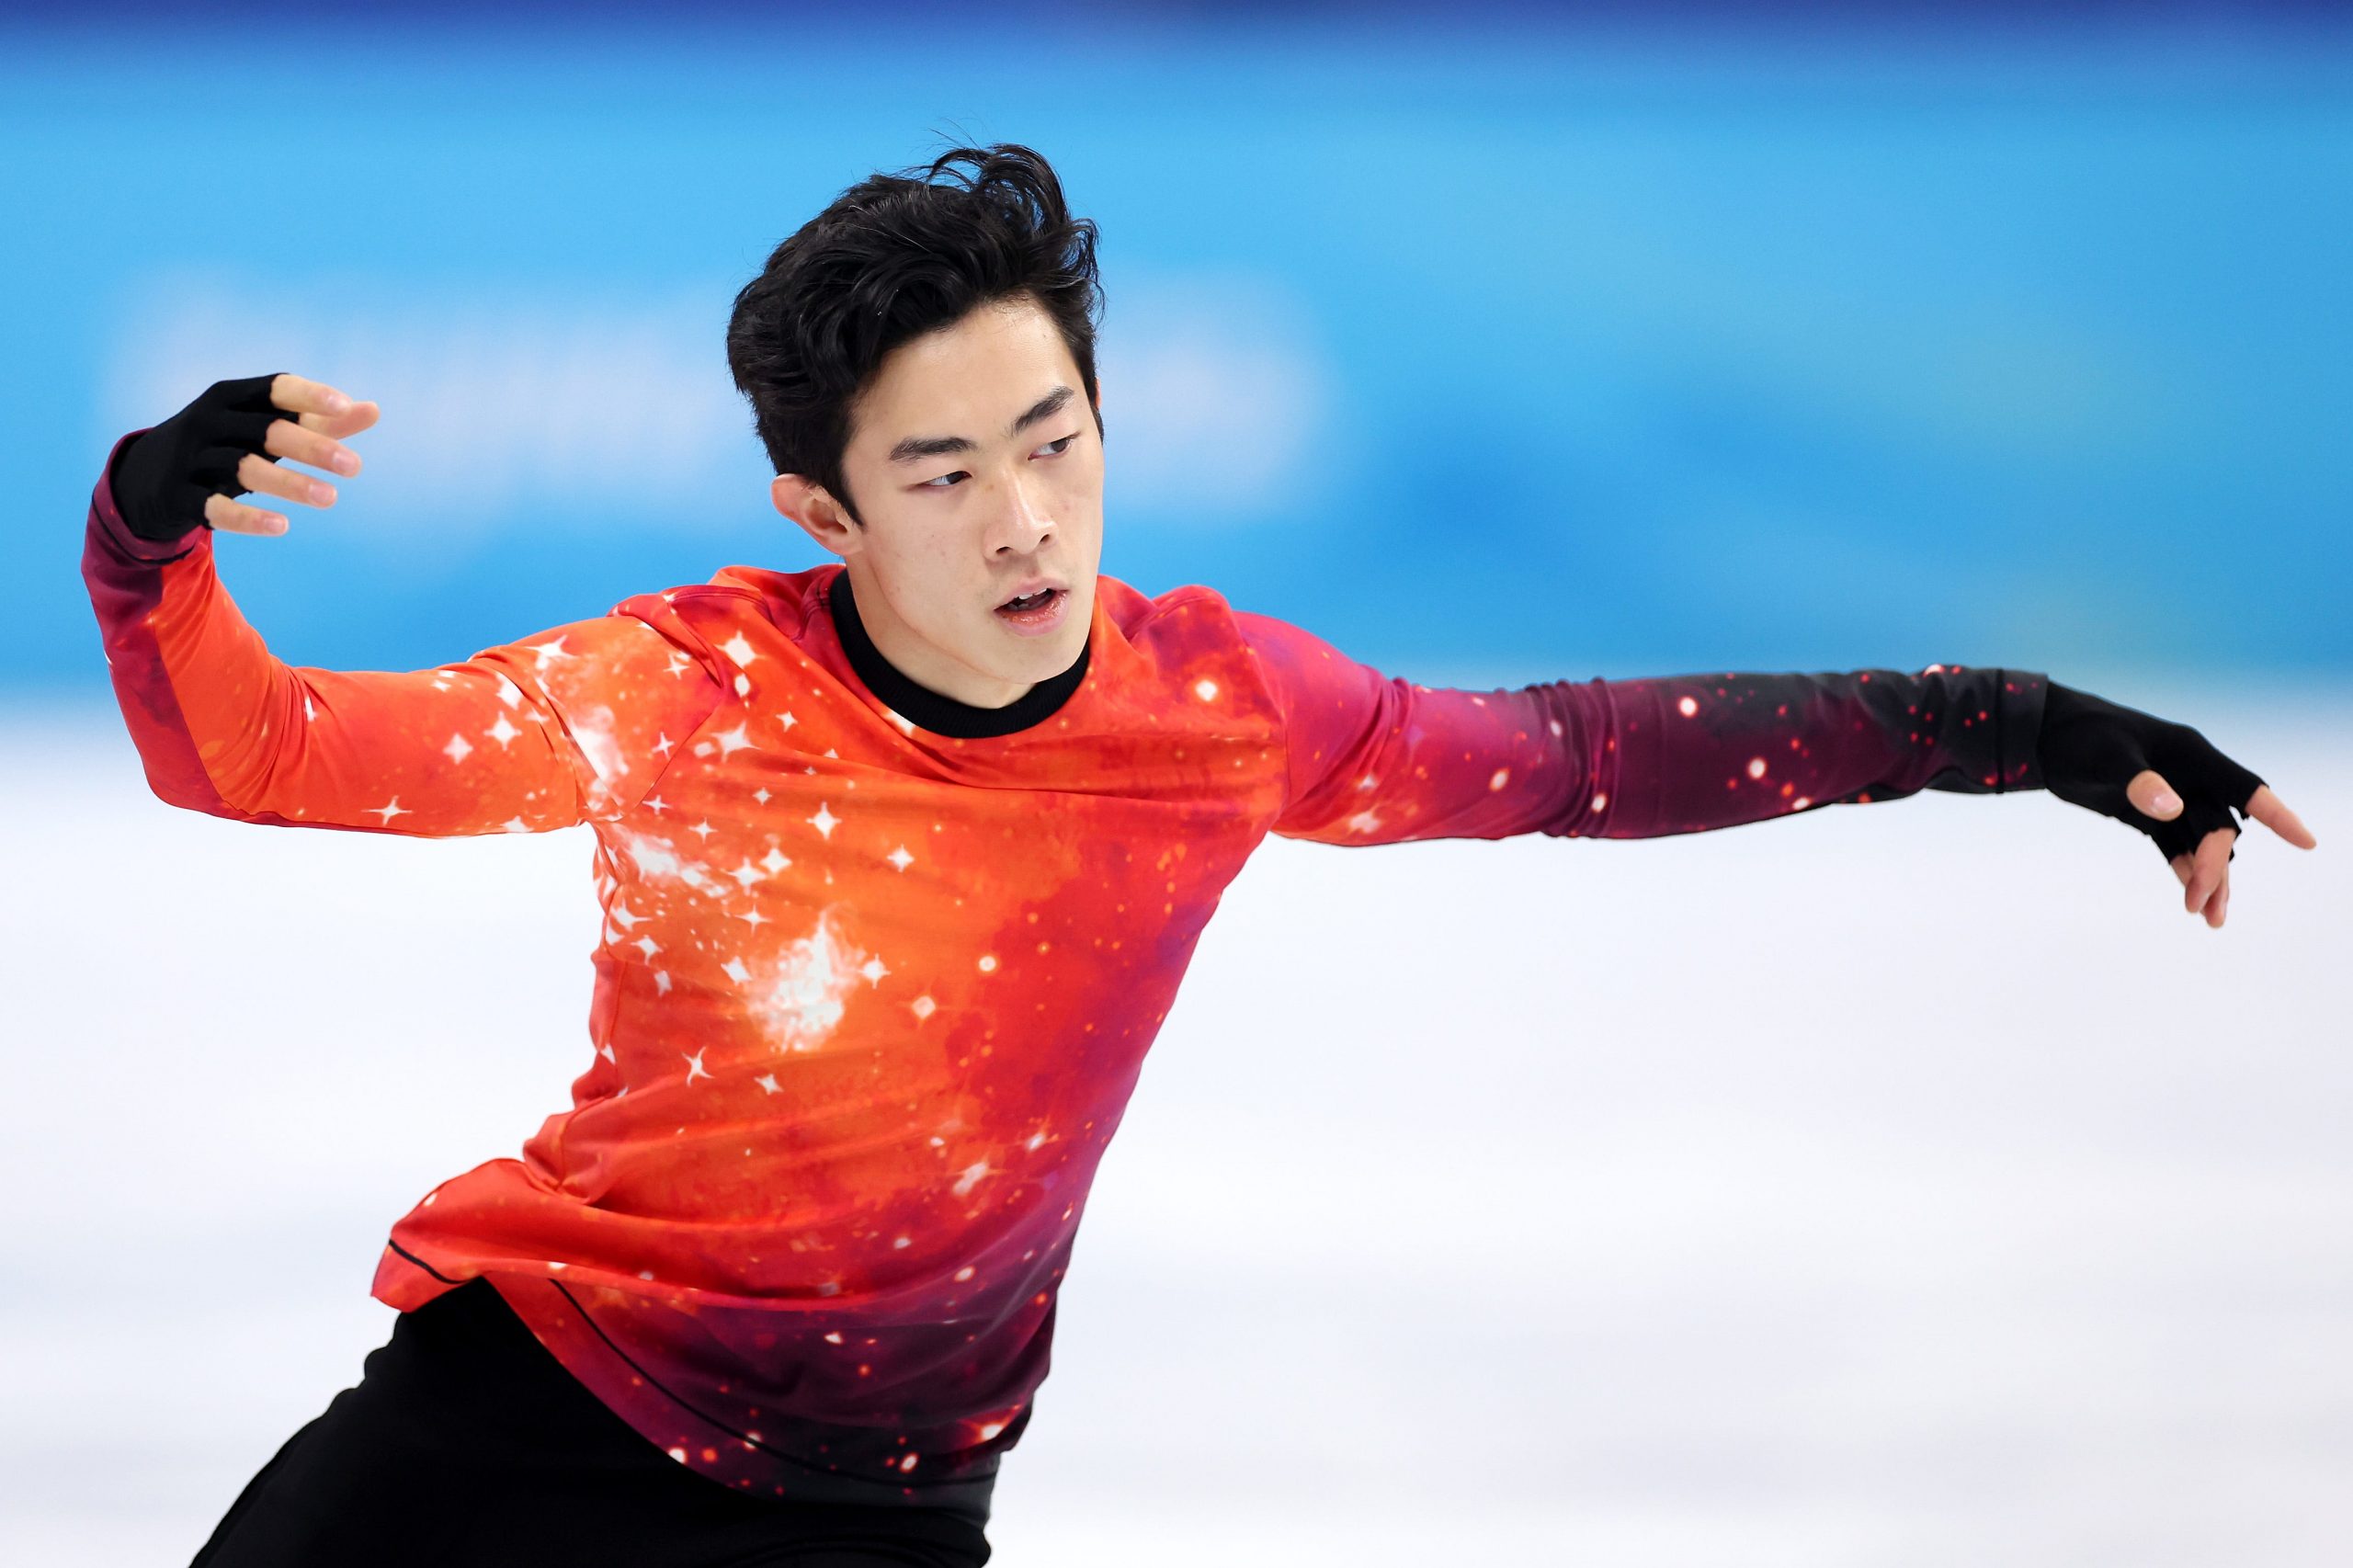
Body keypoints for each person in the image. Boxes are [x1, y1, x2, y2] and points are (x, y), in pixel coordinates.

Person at [81, 143, 2317, 1568]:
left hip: (879, 1505)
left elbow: (1578, 753)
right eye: (943, 474)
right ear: (824, 519)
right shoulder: (686, 685)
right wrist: (154, 529)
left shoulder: (1220, 711)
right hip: (518, 1443)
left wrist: (2016, 729)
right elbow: (261, 754)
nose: (1025, 516)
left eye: (1053, 441)